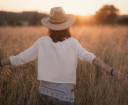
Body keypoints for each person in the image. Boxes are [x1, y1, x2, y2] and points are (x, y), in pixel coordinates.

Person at [0, 7, 128, 105]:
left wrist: (1, 63)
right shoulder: (73, 43)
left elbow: (20, 58)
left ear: (50, 26)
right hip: (64, 97)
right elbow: (92, 59)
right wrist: (114, 72)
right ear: (67, 25)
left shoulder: (42, 42)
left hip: (45, 93)